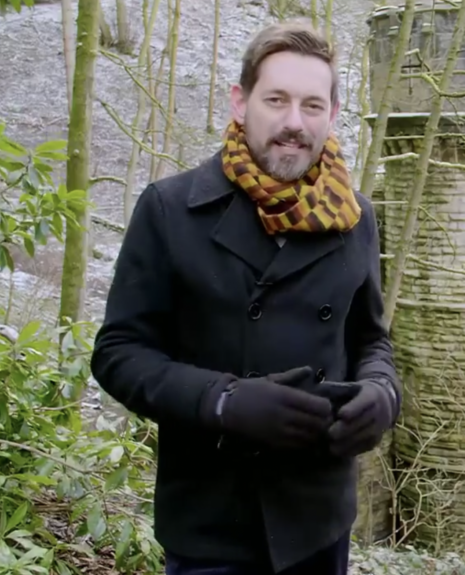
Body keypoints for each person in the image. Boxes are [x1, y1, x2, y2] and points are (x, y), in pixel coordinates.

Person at [90, 20, 400, 575]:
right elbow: (118, 353)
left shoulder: (356, 219)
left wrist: (382, 394)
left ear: (330, 115)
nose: (292, 123)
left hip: (318, 519)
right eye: (276, 100)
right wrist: (223, 401)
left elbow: (372, 339)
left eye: (311, 105)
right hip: (211, 523)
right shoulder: (169, 209)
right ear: (241, 102)